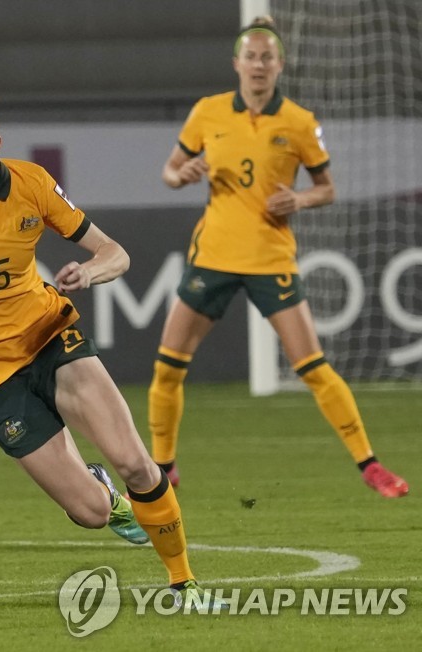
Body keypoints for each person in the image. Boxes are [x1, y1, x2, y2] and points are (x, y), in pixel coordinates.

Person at [0, 81, 222, 605]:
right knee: (92, 513)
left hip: (48, 335)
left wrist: (90, 270)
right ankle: (101, 490)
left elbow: (115, 253)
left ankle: (185, 584)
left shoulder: (32, 183)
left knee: (137, 462)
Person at [149, 16, 409, 498]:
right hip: (214, 257)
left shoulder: (300, 122)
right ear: (237, 63)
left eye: (268, 57)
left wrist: (300, 199)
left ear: (279, 65)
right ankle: (163, 467)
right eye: (251, 56)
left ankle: (370, 466)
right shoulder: (207, 112)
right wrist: (181, 175)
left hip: (272, 260)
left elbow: (327, 188)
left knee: (313, 367)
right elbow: (169, 170)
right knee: (168, 365)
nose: (259, 65)